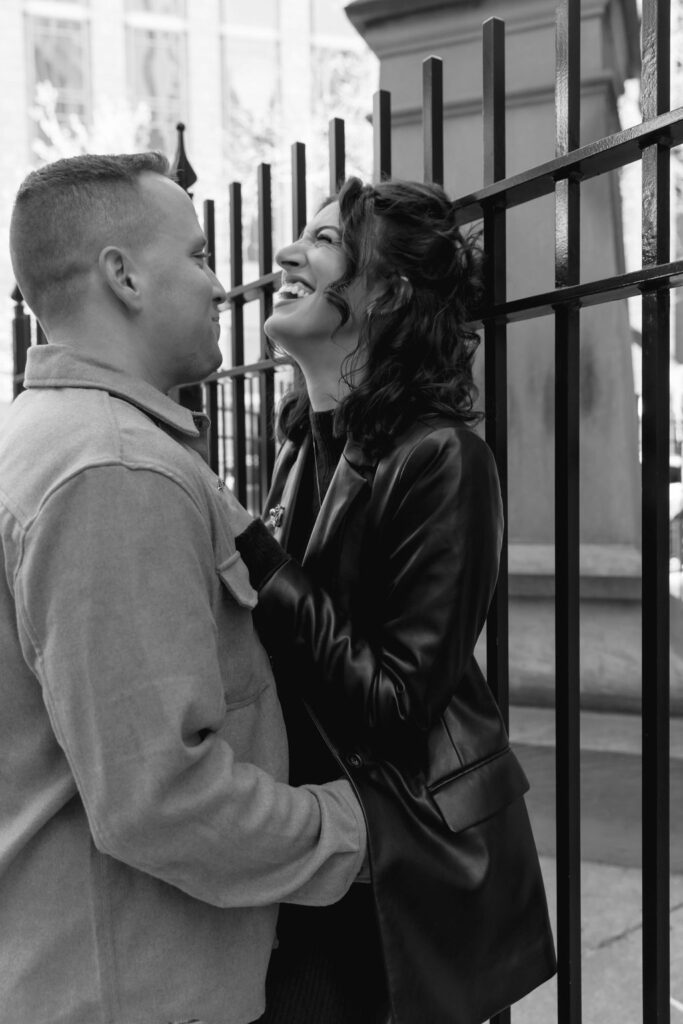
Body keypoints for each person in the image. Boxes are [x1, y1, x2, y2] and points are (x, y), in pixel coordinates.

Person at [0, 153, 371, 1024]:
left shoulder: (50, 436)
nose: (220, 284)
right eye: (199, 255)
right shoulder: (113, 471)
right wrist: (362, 830)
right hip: (131, 990)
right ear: (123, 276)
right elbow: (160, 799)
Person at [226, 177, 557, 1024]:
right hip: (311, 846)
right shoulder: (301, 447)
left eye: (324, 241)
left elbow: (397, 705)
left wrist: (259, 558)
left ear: (390, 294)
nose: (286, 254)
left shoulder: (441, 459)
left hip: (400, 866)